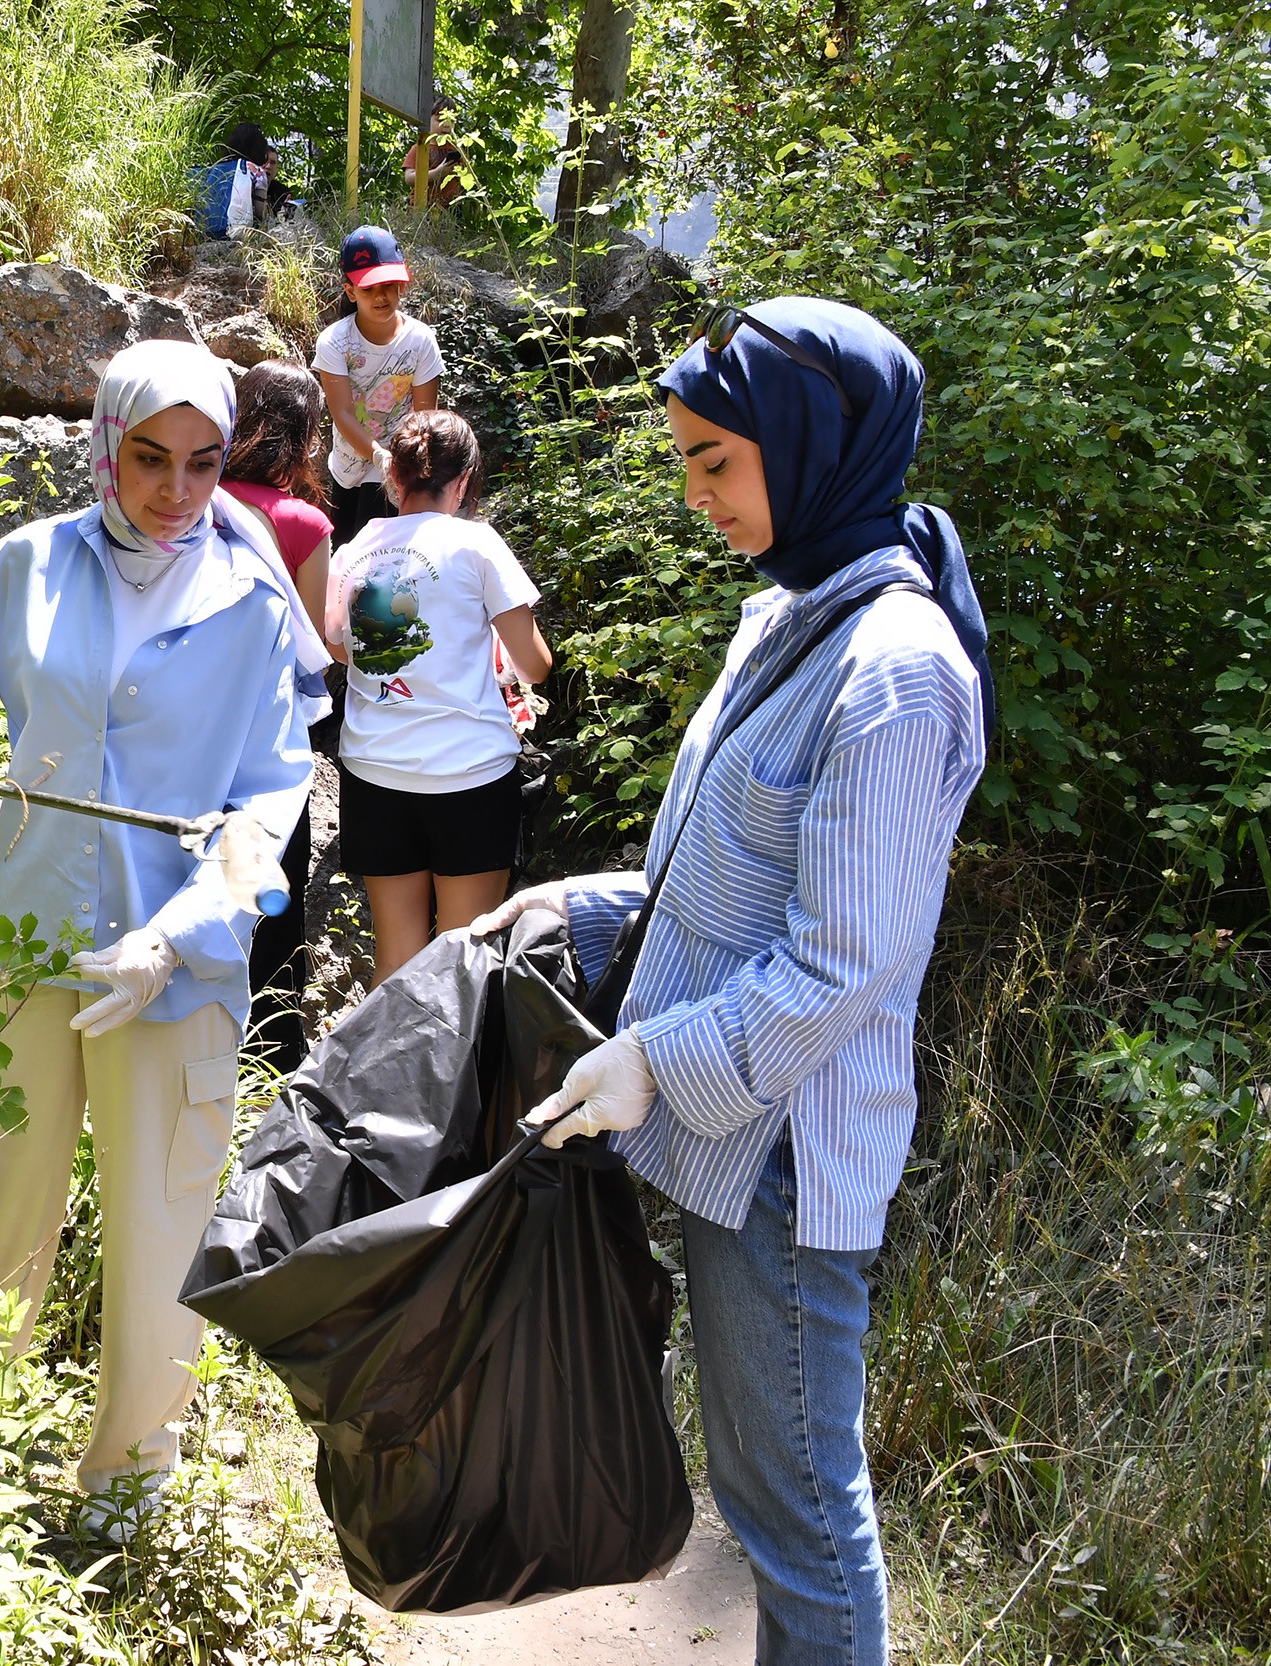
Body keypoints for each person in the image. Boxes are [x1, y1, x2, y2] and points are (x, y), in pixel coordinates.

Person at [474, 297, 993, 1665]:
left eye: (717, 459)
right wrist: (583, 902)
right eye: (687, 460)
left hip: (782, 1156)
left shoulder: (893, 673)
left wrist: (651, 1061)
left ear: (817, 444)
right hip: (726, 1127)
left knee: (800, 1512)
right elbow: (727, 864)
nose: (697, 493)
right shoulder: (791, 617)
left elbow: (841, 962)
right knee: (773, 1496)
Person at [0, 340, 328, 1540]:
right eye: (148, 458)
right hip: (22, 935)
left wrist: (178, 935)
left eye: (204, 463)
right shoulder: (28, 566)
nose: (175, 490)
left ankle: (123, 1497)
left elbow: (272, 795)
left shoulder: (252, 591)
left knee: (158, 1228)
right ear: (104, 446)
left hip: (177, 971)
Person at [320, 408, 550, 986]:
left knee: (396, 957)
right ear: (465, 481)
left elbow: (339, 648)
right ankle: (458, 1080)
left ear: (392, 479)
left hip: (374, 774)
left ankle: (384, 1077)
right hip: (469, 774)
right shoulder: (476, 544)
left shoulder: (355, 550)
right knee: (463, 959)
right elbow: (537, 666)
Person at [221, 362, 337, 1071]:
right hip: (270, 732)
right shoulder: (302, 522)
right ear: (307, 437)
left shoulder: (194, 500)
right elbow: (316, 643)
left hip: (194, 727)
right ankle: (272, 1055)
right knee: (275, 889)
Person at [312, 226, 444, 546]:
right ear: (350, 290)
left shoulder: (420, 341)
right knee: (342, 550)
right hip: (347, 462)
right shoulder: (334, 342)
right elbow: (342, 413)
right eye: (369, 288)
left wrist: (398, 463)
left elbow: (424, 418)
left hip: (397, 466)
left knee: (377, 554)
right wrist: (376, 455)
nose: (381, 296)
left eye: (388, 285)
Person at [403, 99, 465, 207]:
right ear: (427, 120)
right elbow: (408, 178)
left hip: (451, 207)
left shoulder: (457, 149)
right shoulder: (420, 147)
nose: (446, 125)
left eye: (451, 121)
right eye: (440, 119)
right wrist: (435, 174)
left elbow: (466, 175)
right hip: (423, 205)